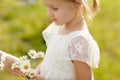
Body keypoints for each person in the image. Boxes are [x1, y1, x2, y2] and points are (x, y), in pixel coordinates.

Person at [0, 0, 100, 80]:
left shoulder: (78, 42)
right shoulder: (58, 27)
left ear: (77, 4)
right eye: (47, 7)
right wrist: (37, 71)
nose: (49, 14)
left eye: (55, 8)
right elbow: (50, 61)